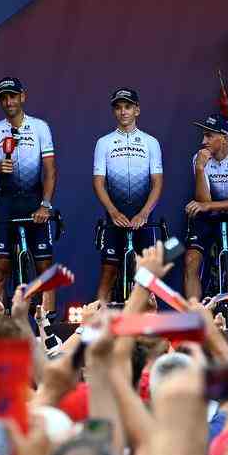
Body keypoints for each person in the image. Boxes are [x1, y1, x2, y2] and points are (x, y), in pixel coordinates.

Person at [0, 77, 58, 312]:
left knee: (45, 266)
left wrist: (45, 205)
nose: (8, 101)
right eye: (3, 97)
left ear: (22, 97)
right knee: (0, 269)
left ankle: (49, 325)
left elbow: (51, 171)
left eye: (13, 96)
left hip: (34, 199)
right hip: (6, 201)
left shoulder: (40, 127)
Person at [92, 88, 163, 303]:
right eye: (119, 107)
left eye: (128, 107)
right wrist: (112, 211)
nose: (123, 112)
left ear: (137, 110)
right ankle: (96, 328)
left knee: (148, 278)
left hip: (143, 217)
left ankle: (150, 331)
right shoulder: (103, 142)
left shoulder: (151, 142)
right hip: (115, 216)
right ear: (114, 112)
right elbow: (98, 182)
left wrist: (144, 212)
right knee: (108, 272)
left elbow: (157, 182)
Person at [183, 114, 228, 304]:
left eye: (208, 136)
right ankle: (194, 317)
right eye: (203, 136)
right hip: (209, 213)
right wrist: (200, 168)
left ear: (224, 138)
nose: (203, 141)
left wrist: (207, 205)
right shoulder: (198, 159)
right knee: (191, 260)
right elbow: (204, 200)